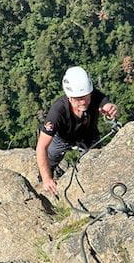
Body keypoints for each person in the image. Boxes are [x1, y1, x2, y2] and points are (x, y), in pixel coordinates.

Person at [36, 66, 117, 195]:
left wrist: (109, 107)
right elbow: (41, 147)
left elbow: (104, 102)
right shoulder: (57, 112)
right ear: (70, 97)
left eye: (86, 96)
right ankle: (44, 183)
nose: (83, 102)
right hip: (62, 138)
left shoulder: (94, 95)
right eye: (78, 98)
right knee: (50, 160)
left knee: (96, 163)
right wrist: (46, 179)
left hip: (88, 136)